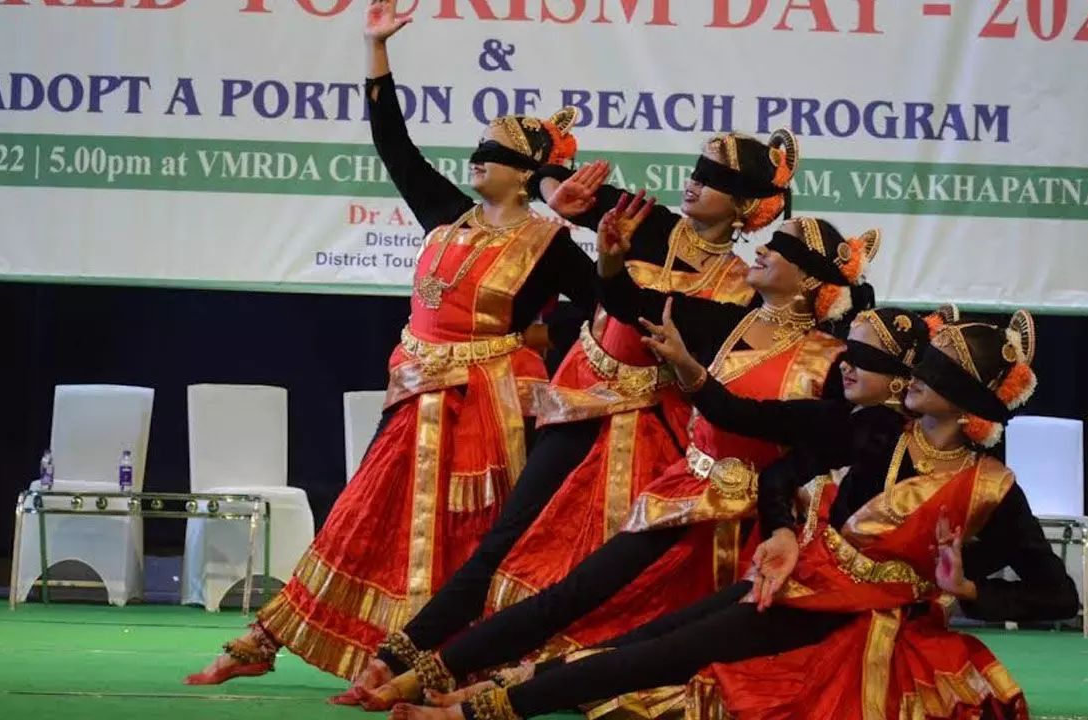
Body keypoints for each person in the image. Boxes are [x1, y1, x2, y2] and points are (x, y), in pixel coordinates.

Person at [183, 0, 597, 686]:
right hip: (415, 395)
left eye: (491, 155)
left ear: (524, 173)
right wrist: (376, 51)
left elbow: (604, 303)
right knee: (363, 513)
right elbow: (393, 143)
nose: (476, 162)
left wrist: (534, 337)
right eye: (476, 151)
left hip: (485, 410)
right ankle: (268, 639)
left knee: (471, 532)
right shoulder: (445, 214)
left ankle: (437, 663)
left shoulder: (549, 244)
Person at [340, 100, 803, 704]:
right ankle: (401, 656)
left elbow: (649, 321)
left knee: (595, 572)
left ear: (743, 205)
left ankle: (545, 676)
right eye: (695, 170)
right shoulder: (647, 219)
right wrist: (561, 197)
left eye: (713, 179)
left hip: (651, 425)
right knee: (511, 536)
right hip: (577, 403)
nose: (694, 182)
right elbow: (561, 188)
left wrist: (609, 265)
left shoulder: (740, 285)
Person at [396, 312, 1078, 720]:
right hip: (802, 579)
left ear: (968, 409)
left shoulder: (990, 488)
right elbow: (782, 472)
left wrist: (967, 592)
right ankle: (488, 686)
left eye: (937, 376)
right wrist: (782, 531)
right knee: (645, 640)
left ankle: (470, 709)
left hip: (850, 622)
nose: (916, 378)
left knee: (661, 656)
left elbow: (1057, 593)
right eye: (921, 367)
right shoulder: (877, 431)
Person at [360, 211, 880, 711]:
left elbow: (769, 430)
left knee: (665, 646)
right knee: (574, 594)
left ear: (809, 279)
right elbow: (633, 303)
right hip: (687, 493)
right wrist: (609, 264)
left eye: (782, 248)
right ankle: (424, 676)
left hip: (762, 526)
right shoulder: (726, 322)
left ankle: (496, 697)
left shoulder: (831, 363)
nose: (763, 249)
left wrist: (687, 369)